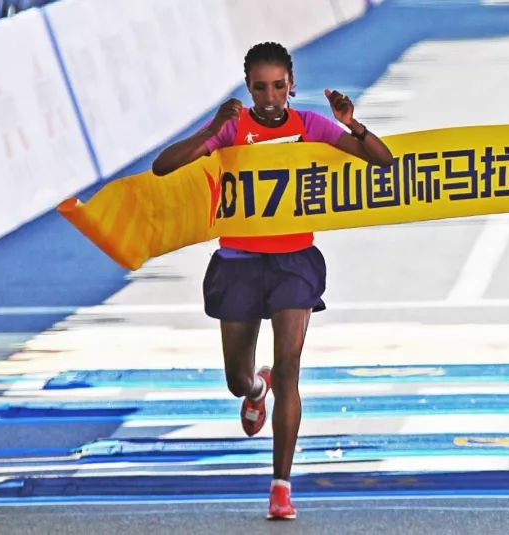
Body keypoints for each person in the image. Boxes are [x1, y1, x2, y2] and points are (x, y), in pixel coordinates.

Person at [152, 41, 393, 520]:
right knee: (236, 380)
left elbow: (382, 161)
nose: (269, 97)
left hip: (293, 262)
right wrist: (212, 130)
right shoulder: (232, 128)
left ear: (291, 85)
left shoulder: (310, 126)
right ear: (248, 87)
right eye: (260, 87)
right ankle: (255, 389)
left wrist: (352, 124)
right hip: (239, 261)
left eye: (278, 86)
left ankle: (281, 486)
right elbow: (164, 166)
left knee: (289, 370)